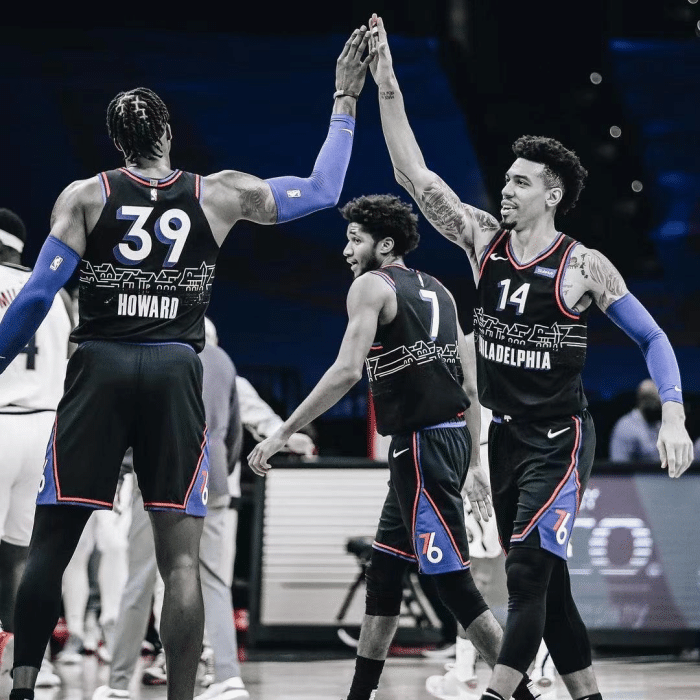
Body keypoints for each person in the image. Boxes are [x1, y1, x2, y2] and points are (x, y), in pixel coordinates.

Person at [0, 26, 373, 700]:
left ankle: (23, 687)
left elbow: (32, 300)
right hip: (175, 370)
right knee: (180, 559)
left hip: (100, 368)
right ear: (167, 133)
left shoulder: (85, 196)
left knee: (51, 544)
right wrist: (345, 98)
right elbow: (323, 189)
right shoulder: (219, 193)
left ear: (117, 142)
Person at [367, 14, 694, 700]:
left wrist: (673, 413)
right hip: (507, 439)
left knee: (524, 577)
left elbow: (655, 338)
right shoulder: (481, 240)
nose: (506, 188)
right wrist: (386, 84)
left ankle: (499, 695)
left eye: (521, 182)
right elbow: (413, 174)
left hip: (561, 438)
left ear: (552, 194)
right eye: (507, 179)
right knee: (553, 588)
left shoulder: (583, 267)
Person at [248, 194, 539, 700]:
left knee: (453, 583)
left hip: (422, 445)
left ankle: (523, 695)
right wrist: (473, 461)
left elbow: (346, 371)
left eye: (354, 239)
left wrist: (281, 432)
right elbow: (471, 386)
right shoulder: (441, 291)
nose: (346, 250)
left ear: (385, 246)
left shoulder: (371, 286)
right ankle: (359, 695)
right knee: (384, 573)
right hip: (447, 439)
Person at [92, 317, 315, 700]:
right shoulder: (224, 362)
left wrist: (124, 469)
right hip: (212, 477)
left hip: (161, 473)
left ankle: (118, 682)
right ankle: (228, 676)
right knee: (212, 579)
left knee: (141, 578)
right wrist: (220, 472)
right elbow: (233, 433)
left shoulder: (156, 353)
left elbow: (136, 424)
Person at [0, 208, 73, 689]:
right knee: (27, 556)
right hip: (46, 427)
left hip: (2, 420)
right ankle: (31, 661)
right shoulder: (57, 291)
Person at [609, 379, 662, 463]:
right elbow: (618, 465)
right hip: (637, 471)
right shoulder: (625, 427)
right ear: (643, 401)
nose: (660, 409)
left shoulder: (659, 424)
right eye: (657, 404)